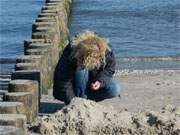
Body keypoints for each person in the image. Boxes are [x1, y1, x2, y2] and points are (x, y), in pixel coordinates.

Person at [53, 30, 121, 104]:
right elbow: (63, 81)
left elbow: (109, 68)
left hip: (91, 84)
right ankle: (80, 101)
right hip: (73, 86)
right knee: (81, 69)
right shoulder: (72, 50)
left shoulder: (106, 49)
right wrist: (72, 102)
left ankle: (87, 101)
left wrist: (100, 81)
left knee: (114, 89)